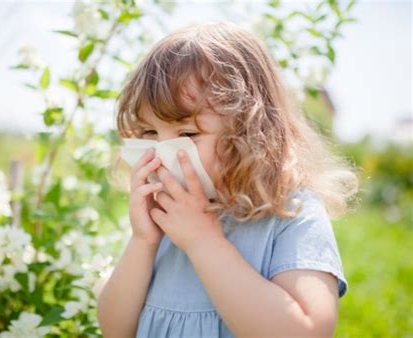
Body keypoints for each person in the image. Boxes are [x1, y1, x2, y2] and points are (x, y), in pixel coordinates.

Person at [97, 21, 359, 338]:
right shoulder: (165, 219)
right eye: (149, 133)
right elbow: (114, 330)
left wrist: (204, 242)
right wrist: (143, 242)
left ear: (249, 131)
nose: (162, 153)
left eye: (188, 134)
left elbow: (307, 331)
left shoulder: (291, 213)